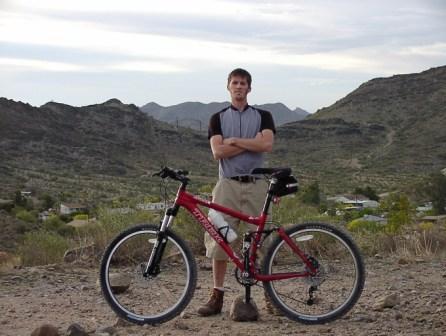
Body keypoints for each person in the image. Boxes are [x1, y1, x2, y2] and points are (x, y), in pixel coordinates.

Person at [197, 68, 276, 316]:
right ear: (228, 86)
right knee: (219, 240)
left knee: (262, 241)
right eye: (235, 83)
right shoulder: (217, 118)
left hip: (257, 184)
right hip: (227, 184)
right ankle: (217, 296)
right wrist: (249, 143)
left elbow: (266, 145)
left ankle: (271, 299)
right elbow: (217, 153)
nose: (239, 86)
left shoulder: (264, 116)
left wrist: (233, 141)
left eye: (243, 83)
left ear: (249, 88)